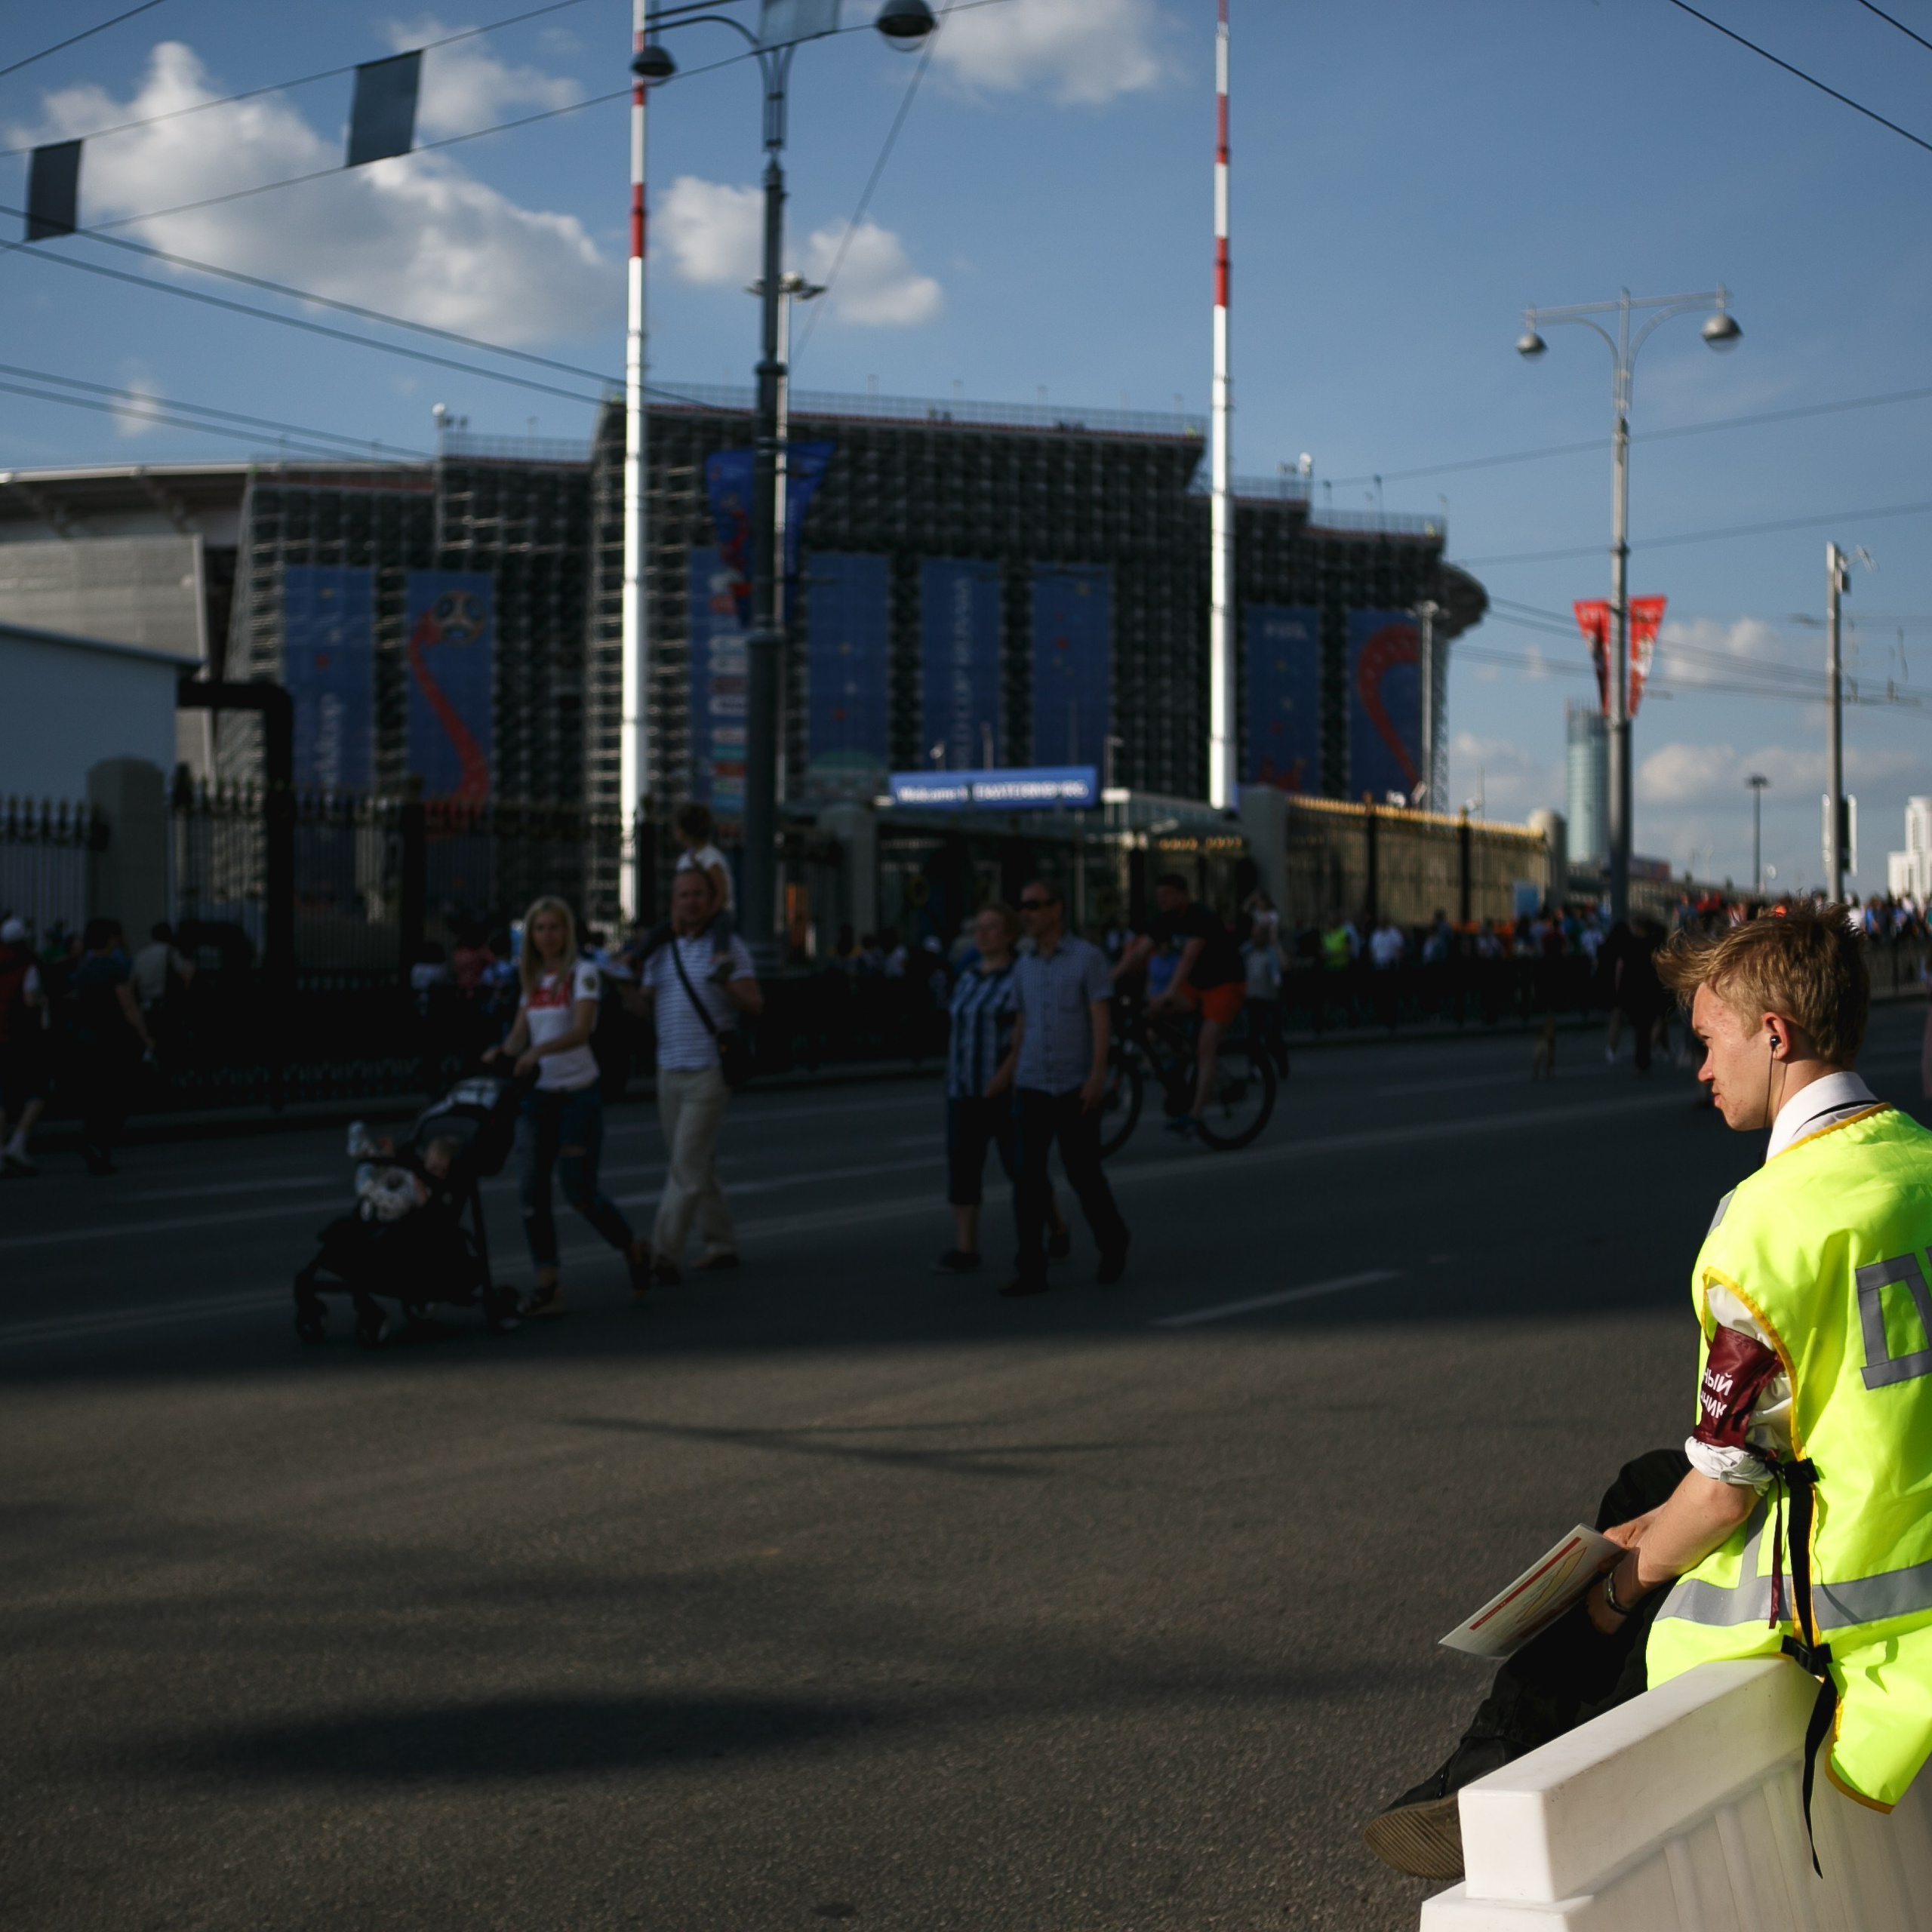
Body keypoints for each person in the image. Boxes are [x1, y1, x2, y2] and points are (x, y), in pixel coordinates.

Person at [1364, 904, 1932, 1881]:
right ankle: (1485, 1773)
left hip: (1854, 1607)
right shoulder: (1918, 1156)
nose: (1699, 1068)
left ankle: (1505, 1781)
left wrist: (1613, 1590)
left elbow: (1721, 1498)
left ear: (1775, 1035)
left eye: (1708, 1041)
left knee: (1631, 1569)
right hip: (1906, 1528)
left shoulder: (1763, 1227)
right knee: (1646, 1487)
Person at [485, 895, 651, 1318]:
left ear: (568, 932)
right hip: (536, 1097)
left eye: (555, 927)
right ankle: (547, 1285)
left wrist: (537, 1052)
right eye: (539, 929)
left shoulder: (584, 973)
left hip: (578, 1094)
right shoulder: (532, 979)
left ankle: (632, 1247)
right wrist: (502, 1053)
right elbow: (519, 1035)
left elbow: (581, 1031)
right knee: (531, 1192)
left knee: (580, 1191)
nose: (547, 936)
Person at [990, 879, 1128, 1295]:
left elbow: (1100, 1019)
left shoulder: (1087, 958)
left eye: (1034, 906)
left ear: (1057, 909)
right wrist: (1011, 1073)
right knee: (1027, 1180)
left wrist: (1097, 1075)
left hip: (1074, 1084)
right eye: (1022, 906)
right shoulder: (1024, 965)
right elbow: (1022, 1024)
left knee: (1082, 1172)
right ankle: (1031, 1268)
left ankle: (1113, 1242)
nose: (1026, 914)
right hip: (1032, 1082)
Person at [635, 867, 762, 1282]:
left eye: (698, 894)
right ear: (673, 902)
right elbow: (643, 1006)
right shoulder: (661, 950)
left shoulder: (727, 947)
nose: (691, 902)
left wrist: (725, 981)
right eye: (683, 895)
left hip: (708, 1069)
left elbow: (755, 1003)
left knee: (685, 1167)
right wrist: (622, 988)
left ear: (712, 901)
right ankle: (721, 1244)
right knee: (696, 1162)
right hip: (668, 1068)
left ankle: (662, 1254)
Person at [934, 902, 1066, 1275]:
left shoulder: (1021, 976)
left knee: (1022, 1169)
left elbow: (1028, 1033)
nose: (982, 934)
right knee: (963, 1166)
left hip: (1009, 1091)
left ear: (1010, 935)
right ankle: (966, 1248)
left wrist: (1005, 1075)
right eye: (979, 927)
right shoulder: (968, 976)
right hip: (964, 1088)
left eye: (992, 927)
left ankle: (1055, 1224)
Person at [1114, 873, 1246, 1138]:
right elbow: (1139, 951)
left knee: (1206, 1046)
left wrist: (1170, 992)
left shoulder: (1201, 917)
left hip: (1224, 984)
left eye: (1167, 895)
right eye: (1159, 896)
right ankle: (1181, 1054)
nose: (1161, 900)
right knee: (1149, 1013)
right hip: (1196, 985)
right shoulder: (1165, 920)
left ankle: (1194, 1116)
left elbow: (1188, 958)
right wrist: (1109, 979)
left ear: (1182, 895)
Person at [65, 917, 155, 1175]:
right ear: (112, 939)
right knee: (117, 1095)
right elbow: (128, 1006)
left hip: (85, 1037)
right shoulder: (114, 968)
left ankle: (95, 1145)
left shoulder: (84, 968)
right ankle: (100, 1144)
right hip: (111, 1039)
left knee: (95, 1095)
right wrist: (146, 1036)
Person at [1, 916, 50, 1175]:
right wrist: (45, 1002)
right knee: (36, 1091)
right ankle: (17, 1144)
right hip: (21, 1038)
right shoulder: (28, 965)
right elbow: (30, 1000)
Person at [672, 801, 739, 983]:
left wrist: (705, 918)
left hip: (716, 913)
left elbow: (721, 894)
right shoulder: (686, 858)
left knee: (721, 925)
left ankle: (720, 957)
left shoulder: (710, 857)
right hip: (697, 915)